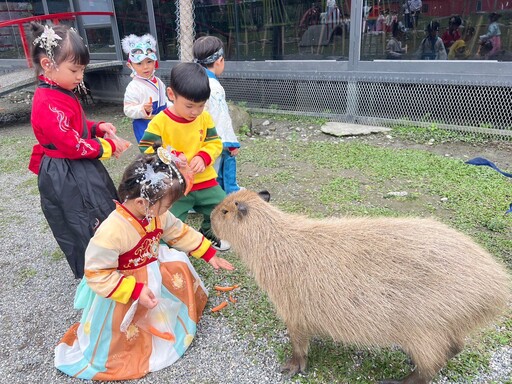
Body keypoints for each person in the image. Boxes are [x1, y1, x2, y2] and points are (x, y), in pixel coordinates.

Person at [54, 148, 234, 380]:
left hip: (151, 270)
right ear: (142, 202)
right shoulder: (111, 232)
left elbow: (178, 231)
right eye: (167, 206)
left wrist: (208, 253)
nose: (169, 212)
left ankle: (164, 330)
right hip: (124, 286)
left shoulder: (155, 213)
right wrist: (136, 290)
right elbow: (97, 272)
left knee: (176, 271)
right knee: (122, 332)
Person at [28, 22, 127, 279]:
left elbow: (74, 127)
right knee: (84, 218)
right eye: (74, 69)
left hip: (80, 165)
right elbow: (70, 143)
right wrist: (107, 147)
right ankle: (97, 272)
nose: (80, 76)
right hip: (66, 172)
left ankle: (114, 260)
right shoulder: (47, 101)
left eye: (82, 69)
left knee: (102, 207)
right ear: (48, 64)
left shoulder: (60, 90)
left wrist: (96, 127)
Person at [139, 62, 231, 251]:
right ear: (172, 95)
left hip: (205, 180)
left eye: (201, 106)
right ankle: (168, 248)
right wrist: (170, 158)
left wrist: (204, 156)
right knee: (170, 217)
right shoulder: (160, 122)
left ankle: (209, 233)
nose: (195, 112)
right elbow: (146, 147)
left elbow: (214, 142)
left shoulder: (204, 118)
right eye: (189, 105)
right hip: (175, 184)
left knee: (223, 208)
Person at [193, 35, 242, 195]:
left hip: (197, 138)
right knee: (220, 169)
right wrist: (231, 142)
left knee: (206, 171)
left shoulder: (194, 81)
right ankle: (226, 194)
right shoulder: (214, 87)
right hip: (215, 139)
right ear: (219, 60)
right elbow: (221, 118)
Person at [122, 33, 172, 143]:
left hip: (163, 122)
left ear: (155, 62)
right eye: (139, 63)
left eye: (149, 61)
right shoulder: (133, 87)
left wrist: (174, 109)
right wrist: (143, 109)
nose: (145, 67)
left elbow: (165, 101)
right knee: (151, 154)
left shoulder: (159, 81)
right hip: (145, 125)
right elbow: (128, 109)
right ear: (130, 66)